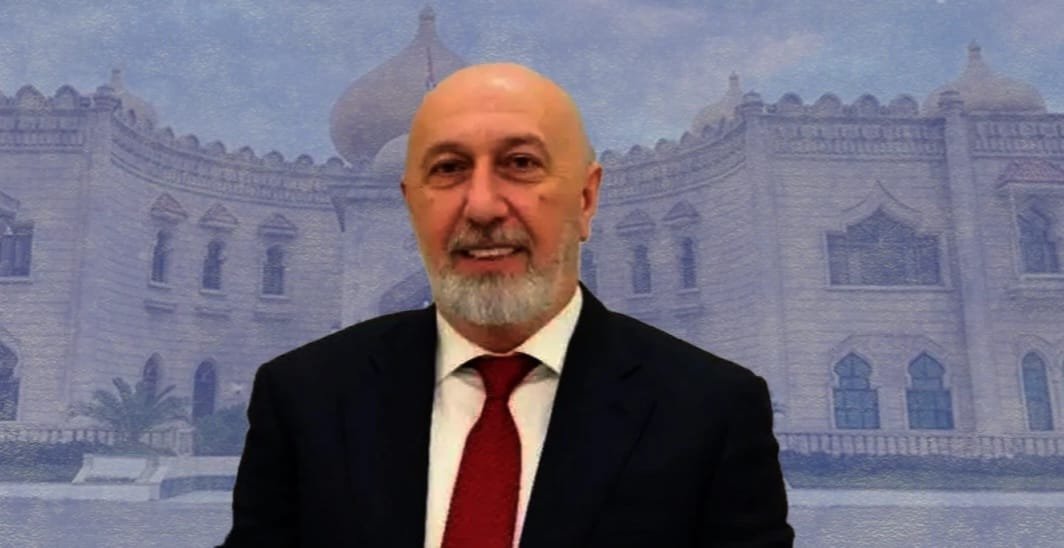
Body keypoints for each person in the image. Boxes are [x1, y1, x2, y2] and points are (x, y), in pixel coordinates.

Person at [220, 63, 793, 548]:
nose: (483, 207)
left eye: (521, 164)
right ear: (411, 205)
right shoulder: (304, 396)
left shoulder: (711, 409)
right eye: (448, 169)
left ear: (586, 198)